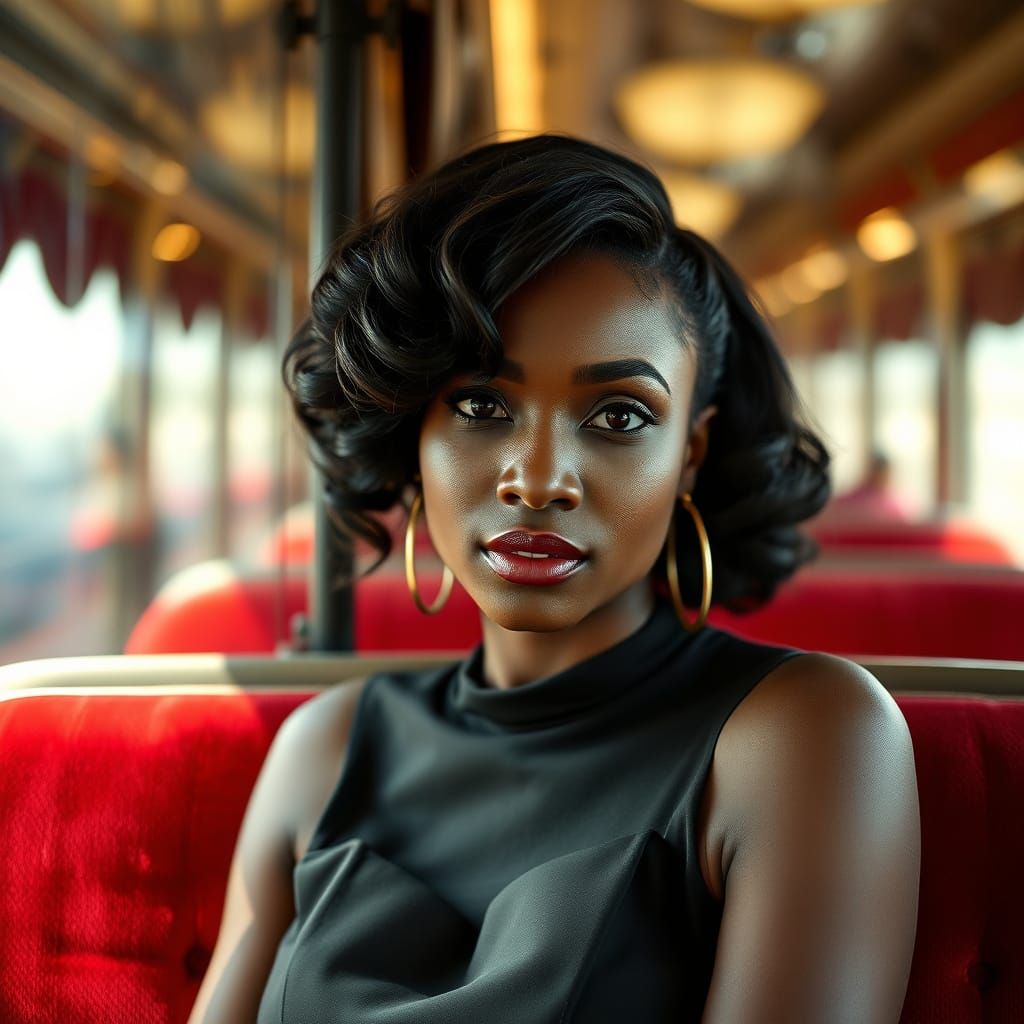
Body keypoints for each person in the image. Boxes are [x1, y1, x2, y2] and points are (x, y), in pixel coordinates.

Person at [188, 134, 920, 1023]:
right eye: (482, 406)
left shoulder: (804, 735)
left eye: (618, 414)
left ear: (689, 452)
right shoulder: (324, 749)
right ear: (412, 436)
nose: (537, 480)